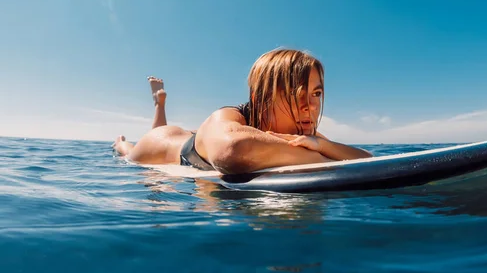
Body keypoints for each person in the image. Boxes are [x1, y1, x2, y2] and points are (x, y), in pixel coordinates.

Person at [113, 48, 372, 174]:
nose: (311, 106)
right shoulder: (228, 117)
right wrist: (325, 161)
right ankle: (151, 112)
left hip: (203, 136)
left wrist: (321, 145)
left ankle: (159, 105)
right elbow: (233, 150)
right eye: (296, 94)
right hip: (162, 144)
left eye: (316, 94)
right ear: (262, 98)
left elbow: (368, 159)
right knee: (127, 151)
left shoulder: (302, 134)